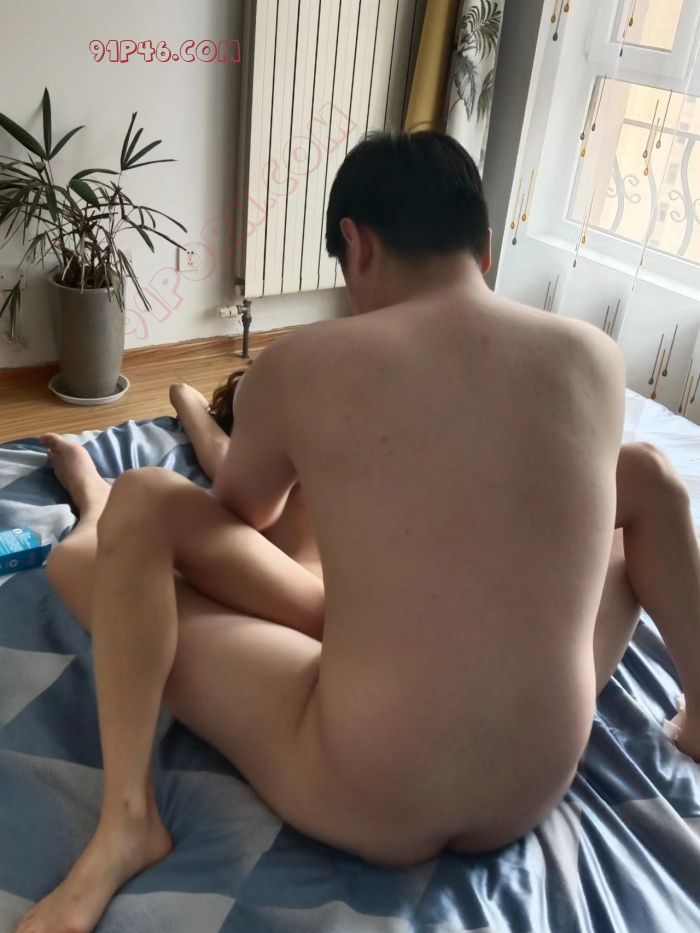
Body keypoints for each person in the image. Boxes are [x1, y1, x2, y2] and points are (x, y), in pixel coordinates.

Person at [17, 131, 700, 933]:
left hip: (369, 788)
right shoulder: (596, 357)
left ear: (357, 243)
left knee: (124, 519)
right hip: (536, 774)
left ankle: (125, 819)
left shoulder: (308, 361)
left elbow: (243, 513)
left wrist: (206, 425)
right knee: (647, 474)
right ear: (485, 247)